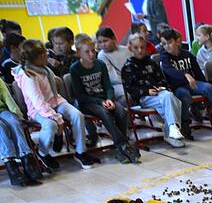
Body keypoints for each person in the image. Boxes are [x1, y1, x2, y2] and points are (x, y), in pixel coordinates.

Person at [13, 39, 100, 169]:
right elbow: (39, 103)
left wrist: (58, 111)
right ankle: (42, 153)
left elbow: (53, 94)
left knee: (78, 115)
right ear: (40, 57)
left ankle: (80, 152)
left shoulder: (45, 69)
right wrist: (58, 118)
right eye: (45, 53)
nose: (48, 55)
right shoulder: (28, 76)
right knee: (50, 124)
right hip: (38, 110)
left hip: (55, 102)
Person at [70, 36, 139, 164]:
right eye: (87, 51)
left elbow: (108, 86)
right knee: (104, 113)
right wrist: (100, 102)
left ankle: (121, 149)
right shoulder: (75, 69)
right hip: (88, 103)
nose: (91, 54)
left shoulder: (100, 64)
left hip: (104, 99)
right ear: (79, 53)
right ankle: (123, 146)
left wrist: (109, 99)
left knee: (121, 112)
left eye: (93, 50)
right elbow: (80, 96)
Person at [121, 33, 185, 148]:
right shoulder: (128, 66)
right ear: (130, 48)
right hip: (144, 98)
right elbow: (130, 89)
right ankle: (172, 129)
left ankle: (170, 131)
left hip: (159, 94)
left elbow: (161, 80)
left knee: (173, 101)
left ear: (146, 47)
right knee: (172, 100)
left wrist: (160, 88)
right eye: (136, 48)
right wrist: (147, 91)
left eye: (142, 47)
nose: (140, 50)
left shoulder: (151, 63)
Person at [160, 28, 212, 136]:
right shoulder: (165, 56)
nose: (167, 46)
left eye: (169, 42)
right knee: (185, 95)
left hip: (193, 84)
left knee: (208, 88)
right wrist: (185, 75)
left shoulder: (187, 55)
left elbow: (197, 71)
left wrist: (203, 84)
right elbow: (170, 71)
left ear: (177, 41)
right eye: (164, 44)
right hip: (178, 87)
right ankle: (184, 122)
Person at [1, 79, 42, 186]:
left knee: (14, 121)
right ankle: (10, 164)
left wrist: (18, 116)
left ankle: (27, 160)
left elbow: (7, 97)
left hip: (2, 110)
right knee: (1, 128)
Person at [96, 27, 131, 106]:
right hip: (116, 85)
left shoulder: (125, 50)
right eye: (100, 42)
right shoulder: (102, 55)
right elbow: (113, 78)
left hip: (130, 82)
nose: (103, 45)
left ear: (113, 39)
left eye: (105, 41)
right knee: (128, 96)